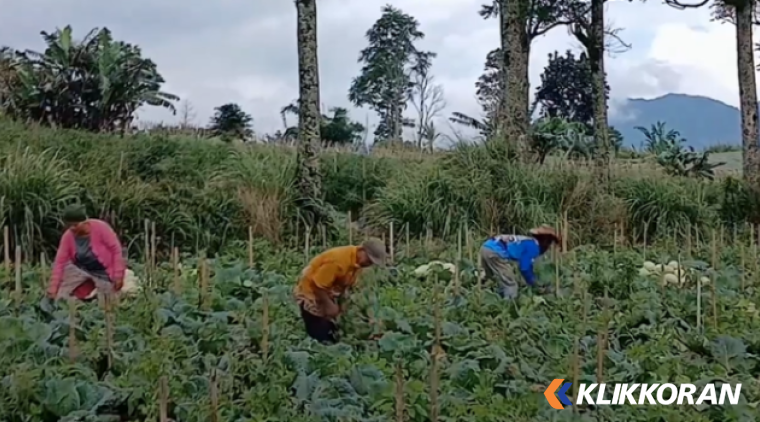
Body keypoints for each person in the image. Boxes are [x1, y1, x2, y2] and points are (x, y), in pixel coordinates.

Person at [293, 237, 387, 344]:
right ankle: (318, 350)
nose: (369, 264)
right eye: (369, 260)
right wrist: (329, 305)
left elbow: (348, 286)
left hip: (328, 291)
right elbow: (317, 285)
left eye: (372, 263)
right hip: (310, 290)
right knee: (320, 332)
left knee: (333, 327)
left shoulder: (357, 263)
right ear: (361, 250)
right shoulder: (338, 261)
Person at [47, 204, 126, 301]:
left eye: (75, 225)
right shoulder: (68, 237)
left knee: (108, 299)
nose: (72, 228)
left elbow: (116, 250)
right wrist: (53, 288)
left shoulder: (101, 228)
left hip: (104, 273)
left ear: (85, 221)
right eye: (69, 225)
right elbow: (59, 262)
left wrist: (118, 275)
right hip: (82, 273)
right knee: (63, 295)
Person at [480, 225, 561, 299]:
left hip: (486, 246)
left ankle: (480, 291)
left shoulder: (528, 241)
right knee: (510, 284)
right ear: (546, 241)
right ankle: (508, 307)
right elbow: (524, 268)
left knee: (491, 277)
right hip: (495, 252)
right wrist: (533, 282)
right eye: (550, 243)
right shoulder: (533, 247)